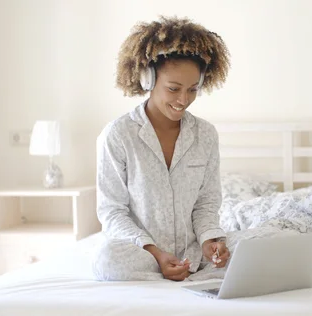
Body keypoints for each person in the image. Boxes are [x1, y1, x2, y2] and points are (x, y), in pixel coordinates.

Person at [92, 16, 232, 282]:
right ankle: (170, 270)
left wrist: (210, 242)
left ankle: (195, 268)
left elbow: (206, 204)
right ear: (148, 80)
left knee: (265, 239)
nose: (184, 100)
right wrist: (156, 253)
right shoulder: (118, 135)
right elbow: (112, 211)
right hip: (142, 253)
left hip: (194, 251)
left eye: (193, 90)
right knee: (107, 259)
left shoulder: (205, 135)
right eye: (173, 89)